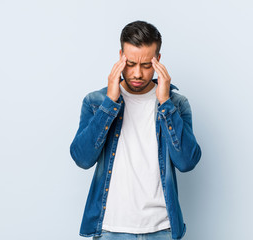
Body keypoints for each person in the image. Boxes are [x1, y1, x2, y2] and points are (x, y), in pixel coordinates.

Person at [70, 20, 202, 240]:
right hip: (110, 230)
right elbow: (82, 159)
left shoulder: (177, 104)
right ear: (121, 56)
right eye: (130, 64)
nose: (137, 74)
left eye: (146, 65)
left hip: (162, 230)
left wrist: (165, 103)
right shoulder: (95, 102)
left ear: (158, 60)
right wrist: (110, 104)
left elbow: (187, 162)